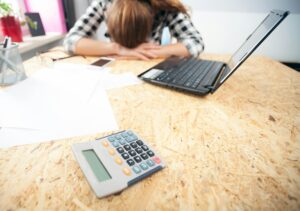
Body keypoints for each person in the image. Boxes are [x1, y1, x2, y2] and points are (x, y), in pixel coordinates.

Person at [63, 0, 204, 60]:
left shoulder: (163, 5)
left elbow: (195, 42)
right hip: (116, 62)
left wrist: (148, 51)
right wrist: (118, 48)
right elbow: (71, 41)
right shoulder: (105, 2)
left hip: (151, 63)